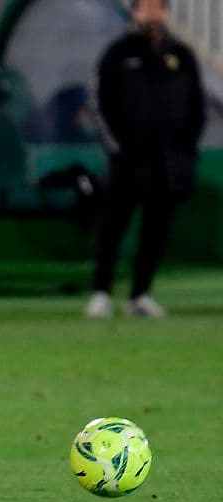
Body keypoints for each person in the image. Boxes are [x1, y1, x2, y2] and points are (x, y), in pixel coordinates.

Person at [85, 0, 205, 318]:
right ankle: (101, 292)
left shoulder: (180, 55)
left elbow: (196, 106)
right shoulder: (119, 53)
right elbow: (98, 104)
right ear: (135, 13)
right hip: (129, 159)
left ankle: (140, 294)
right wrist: (117, 147)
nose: (152, 15)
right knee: (114, 226)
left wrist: (186, 150)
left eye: (158, 8)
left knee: (157, 229)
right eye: (146, 9)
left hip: (169, 162)